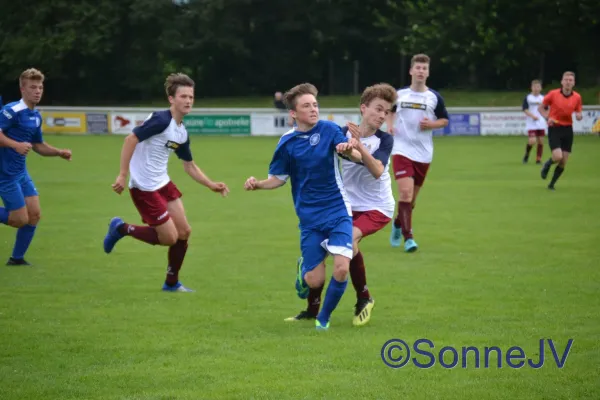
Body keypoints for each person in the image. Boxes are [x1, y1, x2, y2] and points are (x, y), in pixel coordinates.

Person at [244, 83, 358, 330]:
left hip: (338, 210)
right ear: (293, 114)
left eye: (315, 105)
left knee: (341, 269)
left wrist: (349, 149)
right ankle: (303, 271)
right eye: (306, 106)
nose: (313, 109)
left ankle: (323, 319)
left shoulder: (329, 130)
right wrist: (258, 184)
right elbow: (278, 178)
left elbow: (354, 155)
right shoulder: (287, 143)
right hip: (309, 218)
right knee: (314, 280)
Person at [103, 73, 230, 292]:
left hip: (163, 184)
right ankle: (121, 228)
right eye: (183, 96)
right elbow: (131, 138)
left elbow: (189, 165)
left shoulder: (181, 132)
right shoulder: (161, 120)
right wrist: (122, 175)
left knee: (184, 232)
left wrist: (210, 184)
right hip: (144, 187)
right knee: (169, 237)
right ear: (172, 99)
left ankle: (171, 283)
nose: (188, 101)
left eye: (191, 96)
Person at [284, 83, 397, 327]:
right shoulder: (340, 131)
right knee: (321, 256)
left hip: (376, 207)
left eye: (386, 112)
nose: (381, 115)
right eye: (378, 109)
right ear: (363, 108)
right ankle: (312, 309)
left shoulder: (384, 140)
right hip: (343, 204)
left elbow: (377, 170)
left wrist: (358, 146)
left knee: (349, 243)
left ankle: (363, 298)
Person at [0, 68, 72, 266]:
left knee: (34, 215)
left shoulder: (35, 116)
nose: (37, 91)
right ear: (22, 89)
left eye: (40, 87)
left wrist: (58, 152)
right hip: (4, 173)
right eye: (33, 87)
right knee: (18, 219)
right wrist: (16, 145)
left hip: (20, 172)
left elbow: (38, 145)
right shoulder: (11, 111)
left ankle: (16, 259)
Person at [387, 54, 449, 252]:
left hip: (423, 153)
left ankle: (398, 223)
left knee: (411, 201)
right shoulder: (400, 94)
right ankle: (409, 238)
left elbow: (444, 120)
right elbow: (390, 110)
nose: (421, 71)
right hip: (401, 149)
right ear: (411, 71)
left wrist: (431, 124)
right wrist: (389, 125)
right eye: (418, 68)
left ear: (428, 72)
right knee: (404, 193)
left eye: (424, 68)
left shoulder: (434, 97)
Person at [539, 71, 583, 190]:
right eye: (566, 80)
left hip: (568, 129)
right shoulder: (553, 94)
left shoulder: (577, 97)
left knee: (563, 161)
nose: (568, 82)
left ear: (573, 83)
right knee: (557, 156)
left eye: (570, 80)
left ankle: (551, 184)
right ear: (562, 82)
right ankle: (547, 164)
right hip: (555, 128)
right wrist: (548, 117)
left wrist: (579, 116)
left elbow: (578, 111)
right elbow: (541, 107)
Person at [522, 79, 547, 164]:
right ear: (531, 88)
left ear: (541, 88)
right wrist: (532, 116)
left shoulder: (543, 98)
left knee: (540, 141)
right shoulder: (528, 98)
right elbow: (525, 109)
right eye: (534, 87)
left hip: (541, 122)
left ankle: (538, 159)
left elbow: (546, 109)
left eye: (538, 87)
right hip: (531, 123)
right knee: (532, 141)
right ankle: (527, 154)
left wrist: (546, 117)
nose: (536, 88)